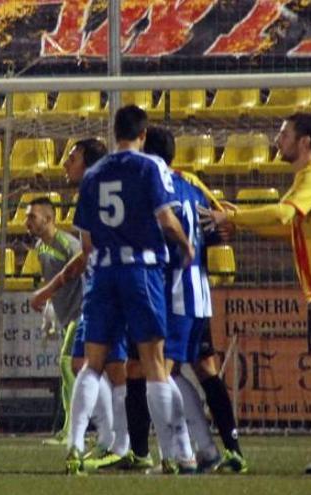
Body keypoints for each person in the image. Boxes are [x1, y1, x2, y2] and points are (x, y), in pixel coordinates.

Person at [201, 113, 311, 474]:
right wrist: (239, 223)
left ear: (304, 141)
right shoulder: (309, 178)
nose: (278, 139)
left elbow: (281, 215)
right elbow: (287, 227)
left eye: (284, 133)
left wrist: (235, 217)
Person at [65, 105, 195, 475]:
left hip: (103, 272)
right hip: (141, 269)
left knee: (92, 363)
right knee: (154, 364)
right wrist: (185, 245)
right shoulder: (149, 166)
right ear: (143, 133)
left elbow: (86, 240)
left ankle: (75, 447)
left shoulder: (94, 173)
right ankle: (173, 453)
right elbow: (166, 218)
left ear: (113, 131)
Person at [143, 126, 248, 474]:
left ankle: (181, 454)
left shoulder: (153, 188)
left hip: (173, 293)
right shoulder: (191, 185)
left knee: (162, 371)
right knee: (197, 370)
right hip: (200, 294)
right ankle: (217, 449)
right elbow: (220, 229)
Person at [31, 139, 132, 470]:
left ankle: (115, 442)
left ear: (87, 162)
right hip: (114, 288)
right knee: (90, 365)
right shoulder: (114, 187)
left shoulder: (92, 193)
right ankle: (109, 441)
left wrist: (49, 290)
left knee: (108, 367)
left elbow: (85, 253)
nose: (65, 165)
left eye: (71, 158)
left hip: (106, 290)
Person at [24, 196, 84, 445]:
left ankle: (73, 432)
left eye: (32, 216)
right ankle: (78, 430)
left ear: (49, 219)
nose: (27, 221)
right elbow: (53, 280)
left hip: (84, 312)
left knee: (67, 364)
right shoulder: (41, 247)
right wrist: (50, 308)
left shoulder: (69, 245)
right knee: (75, 369)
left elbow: (82, 272)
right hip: (68, 314)